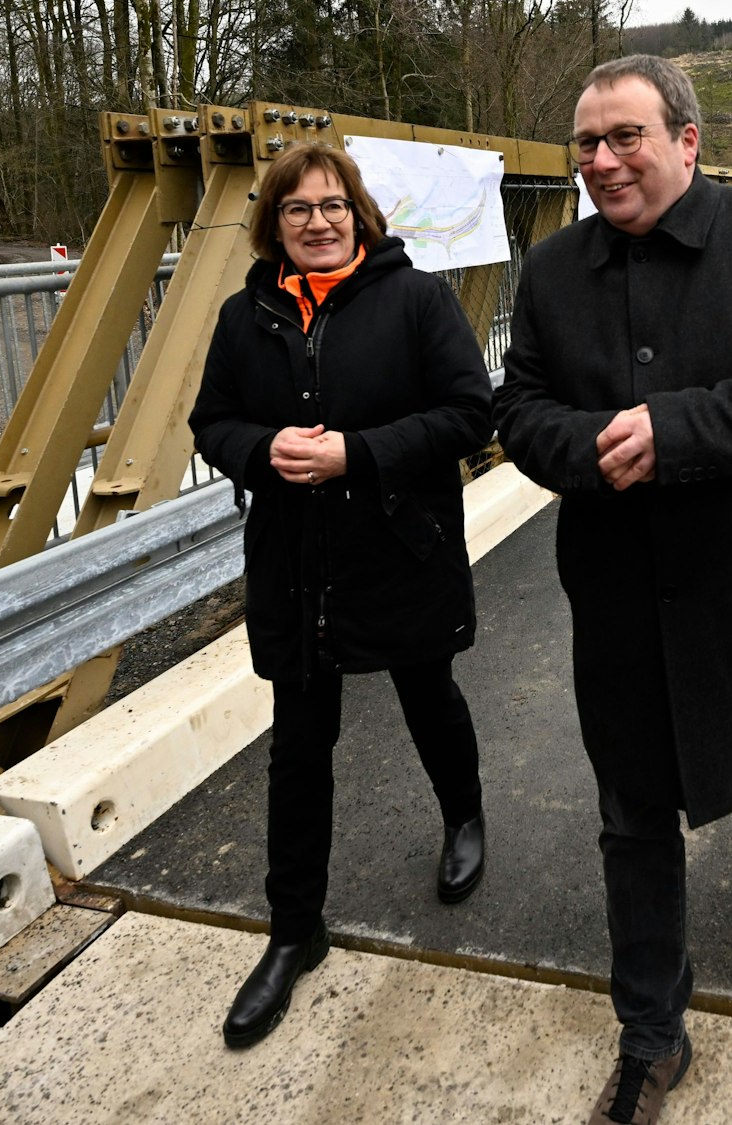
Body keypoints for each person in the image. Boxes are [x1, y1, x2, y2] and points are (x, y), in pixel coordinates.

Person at [495, 54, 732, 1125]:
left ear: (687, 141)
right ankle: (651, 1039)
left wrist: (682, 430)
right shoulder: (553, 271)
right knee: (631, 816)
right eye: (586, 142)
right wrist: (586, 446)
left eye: (624, 136)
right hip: (618, 601)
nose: (601, 160)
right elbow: (517, 407)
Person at [188, 143, 495, 1050]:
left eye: (333, 205)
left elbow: (468, 411)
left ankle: (465, 816)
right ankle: (294, 930)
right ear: (272, 223)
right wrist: (259, 450)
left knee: (426, 694)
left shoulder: (418, 299)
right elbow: (212, 418)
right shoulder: (247, 314)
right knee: (298, 741)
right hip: (295, 560)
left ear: (360, 213)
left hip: (398, 546)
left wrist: (354, 454)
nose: (318, 222)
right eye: (298, 209)